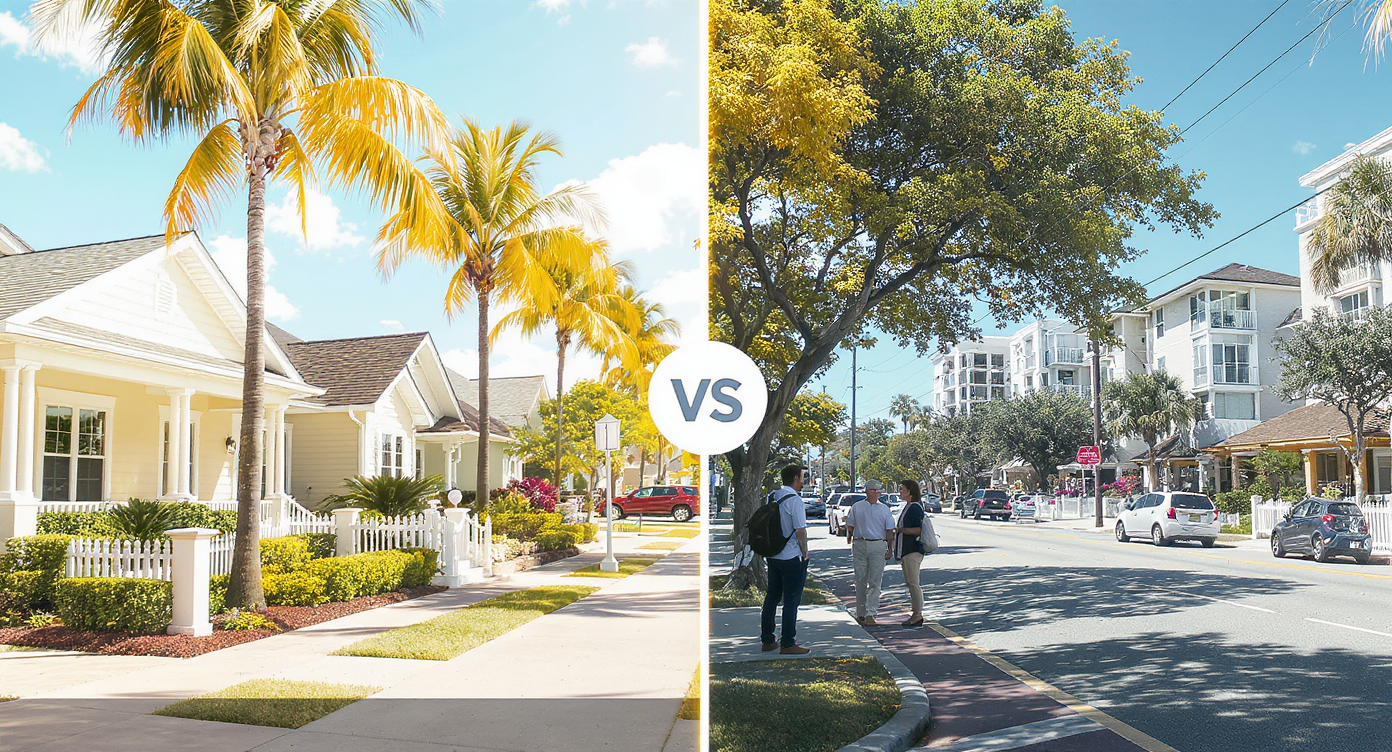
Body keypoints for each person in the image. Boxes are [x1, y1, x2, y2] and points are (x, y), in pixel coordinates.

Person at [760, 464, 811, 655]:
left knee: (772, 597)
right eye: (802, 477)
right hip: (791, 557)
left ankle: (767, 640)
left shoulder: (772, 495)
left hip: (773, 554)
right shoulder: (795, 500)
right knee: (791, 600)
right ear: (796, 479)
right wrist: (805, 553)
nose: (803, 481)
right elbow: (800, 530)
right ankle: (788, 642)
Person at [844, 479, 895, 626]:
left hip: (877, 544)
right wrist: (859, 536)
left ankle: (871, 613)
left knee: (874, 581)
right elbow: (850, 525)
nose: (878, 493)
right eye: (875, 490)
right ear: (868, 491)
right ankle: (861, 612)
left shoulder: (884, 509)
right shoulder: (857, 507)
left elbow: (889, 530)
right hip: (861, 544)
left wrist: (889, 549)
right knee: (860, 579)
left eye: (879, 490)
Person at [891, 479, 927, 627]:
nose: (900, 491)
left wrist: (900, 530)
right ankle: (915, 614)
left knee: (913, 583)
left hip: (913, 550)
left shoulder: (915, 508)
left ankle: (917, 615)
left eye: (902, 489)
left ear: (910, 491)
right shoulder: (908, 506)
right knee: (910, 583)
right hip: (905, 551)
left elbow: (918, 530)